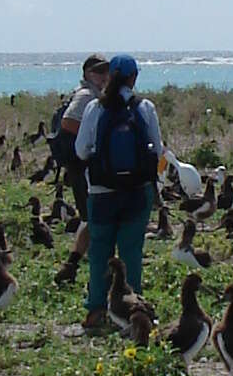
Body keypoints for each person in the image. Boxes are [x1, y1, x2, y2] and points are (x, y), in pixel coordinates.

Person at [75, 54, 163, 330]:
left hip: (101, 192)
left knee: (100, 249)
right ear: (134, 77)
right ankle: (132, 311)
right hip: (137, 191)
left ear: (110, 75)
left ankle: (96, 311)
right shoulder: (145, 107)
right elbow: (157, 151)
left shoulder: (94, 108)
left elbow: (80, 150)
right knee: (131, 251)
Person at [49, 54, 111, 211]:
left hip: (79, 162)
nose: (103, 75)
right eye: (97, 71)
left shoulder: (93, 93)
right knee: (90, 214)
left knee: (89, 215)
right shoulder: (86, 95)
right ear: (86, 74)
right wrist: (91, 139)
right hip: (79, 162)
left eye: (106, 71)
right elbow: (67, 122)